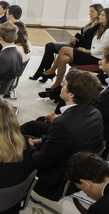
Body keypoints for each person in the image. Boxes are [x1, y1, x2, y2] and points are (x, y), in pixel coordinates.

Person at [28, 69, 105, 201]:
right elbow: (68, 143)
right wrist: (41, 140)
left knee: (17, 145)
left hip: (53, 180)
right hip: (74, 166)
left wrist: (27, 147)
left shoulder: (64, 125)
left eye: (65, 83)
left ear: (72, 94)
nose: (62, 85)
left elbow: (41, 162)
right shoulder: (95, 113)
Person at [39, 8, 109, 98]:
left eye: (102, 15)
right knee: (63, 58)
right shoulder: (102, 28)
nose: (100, 16)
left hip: (95, 57)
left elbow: (101, 49)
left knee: (64, 49)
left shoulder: (108, 32)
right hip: (92, 53)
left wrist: (85, 50)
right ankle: (56, 85)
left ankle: (52, 71)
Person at [31, 4, 104, 82]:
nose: (89, 13)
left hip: (80, 47)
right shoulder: (92, 22)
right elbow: (83, 37)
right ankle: (44, 73)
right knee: (49, 46)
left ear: (98, 12)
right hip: (77, 44)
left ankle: (43, 73)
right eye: (90, 11)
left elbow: (88, 43)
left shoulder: (98, 26)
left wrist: (77, 37)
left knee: (50, 46)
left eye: (92, 12)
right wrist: (75, 38)